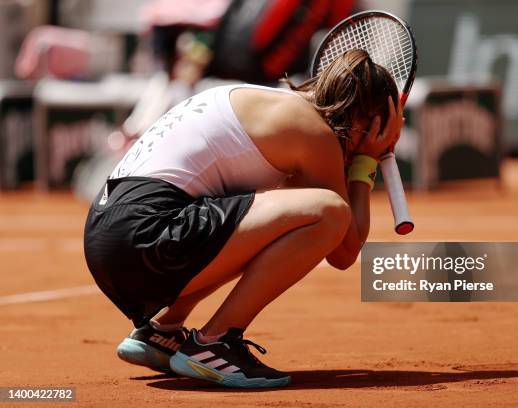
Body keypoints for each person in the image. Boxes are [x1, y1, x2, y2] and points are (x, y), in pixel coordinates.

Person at [83, 49, 403, 388]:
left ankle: (161, 330)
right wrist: (366, 162)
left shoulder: (265, 103)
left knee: (258, 223)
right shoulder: (313, 130)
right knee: (330, 212)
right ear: (363, 117)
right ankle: (214, 343)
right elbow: (344, 250)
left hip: (107, 236)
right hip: (143, 241)